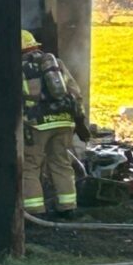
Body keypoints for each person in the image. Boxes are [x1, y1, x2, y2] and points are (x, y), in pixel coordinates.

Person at [20, 29, 87, 217]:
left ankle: (35, 211)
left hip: (37, 123)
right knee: (61, 163)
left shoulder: (19, 67)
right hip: (64, 121)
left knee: (30, 166)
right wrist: (79, 121)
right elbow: (75, 92)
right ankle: (68, 207)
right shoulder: (55, 64)